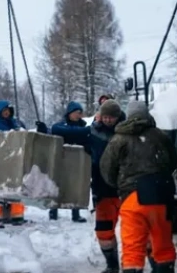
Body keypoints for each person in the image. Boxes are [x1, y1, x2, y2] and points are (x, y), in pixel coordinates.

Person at [100, 100, 177, 273]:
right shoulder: (161, 136)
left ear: (128, 115)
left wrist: (120, 185)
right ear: (147, 114)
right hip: (160, 198)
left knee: (133, 249)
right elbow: (174, 162)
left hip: (132, 198)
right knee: (163, 246)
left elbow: (106, 169)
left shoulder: (119, 138)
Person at [48, 100, 122, 273]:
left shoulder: (128, 132)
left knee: (135, 232)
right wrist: (48, 130)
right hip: (103, 190)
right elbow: (64, 131)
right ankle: (112, 265)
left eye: (112, 117)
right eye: (105, 117)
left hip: (127, 191)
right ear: (100, 116)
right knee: (104, 232)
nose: (108, 120)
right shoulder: (93, 132)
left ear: (118, 117)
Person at [48, 101, 88, 223]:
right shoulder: (61, 125)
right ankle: (53, 210)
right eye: (76, 112)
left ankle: (75, 212)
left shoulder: (83, 126)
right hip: (62, 159)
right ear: (69, 113)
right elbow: (56, 130)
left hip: (77, 161)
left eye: (80, 112)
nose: (78, 115)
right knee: (58, 184)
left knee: (75, 185)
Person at [0, 100, 27, 227]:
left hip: (16, 160)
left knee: (15, 189)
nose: (6, 113)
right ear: (0, 112)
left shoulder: (17, 123)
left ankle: (16, 216)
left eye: (8, 111)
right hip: (0, 161)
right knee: (1, 191)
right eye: (4, 111)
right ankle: (1, 216)